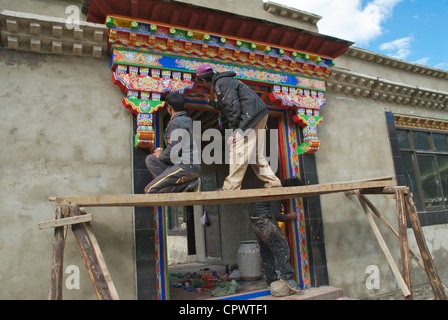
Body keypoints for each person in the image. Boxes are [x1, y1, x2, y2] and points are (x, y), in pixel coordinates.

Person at [195, 64, 282, 191]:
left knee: (238, 148)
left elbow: (232, 109)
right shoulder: (225, 81)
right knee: (254, 154)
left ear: (203, 80)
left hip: (250, 116)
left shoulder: (222, 83)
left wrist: (234, 132)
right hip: (259, 113)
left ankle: (231, 187)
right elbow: (227, 105)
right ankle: (272, 182)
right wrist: (210, 101)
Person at [249, 177, 304, 293]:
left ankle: (271, 280)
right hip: (263, 221)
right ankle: (287, 277)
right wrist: (288, 216)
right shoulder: (277, 189)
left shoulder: (271, 186)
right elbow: (275, 214)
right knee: (282, 247)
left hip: (255, 221)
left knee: (266, 251)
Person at [144, 92, 200, 194]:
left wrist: (161, 155)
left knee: (150, 190)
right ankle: (187, 184)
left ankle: (189, 185)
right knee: (151, 160)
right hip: (182, 165)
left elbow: (174, 150)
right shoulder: (185, 120)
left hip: (185, 167)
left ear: (169, 108)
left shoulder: (177, 122)